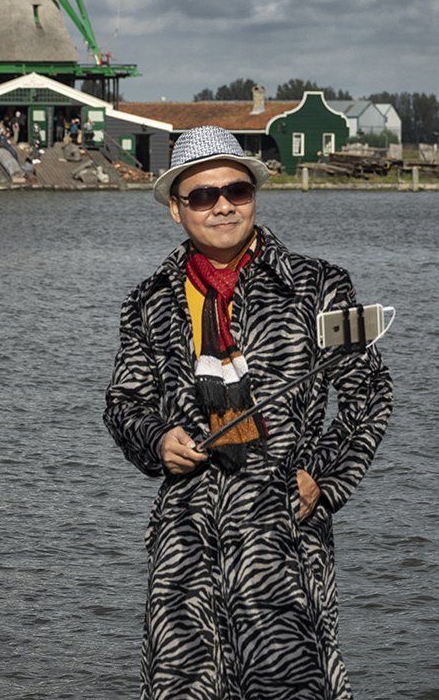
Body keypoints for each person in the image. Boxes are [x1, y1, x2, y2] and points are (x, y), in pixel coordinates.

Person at [103, 126, 393, 700]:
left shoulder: (318, 286)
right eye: (203, 195)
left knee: (291, 685)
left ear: (254, 195)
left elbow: (369, 396)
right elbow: (124, 403)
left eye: (236, 190)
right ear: (175, 209)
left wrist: (325, 480)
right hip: (187, 535)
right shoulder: (147, 300)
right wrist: (158, 439)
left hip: (284, 531)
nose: (222, 206)